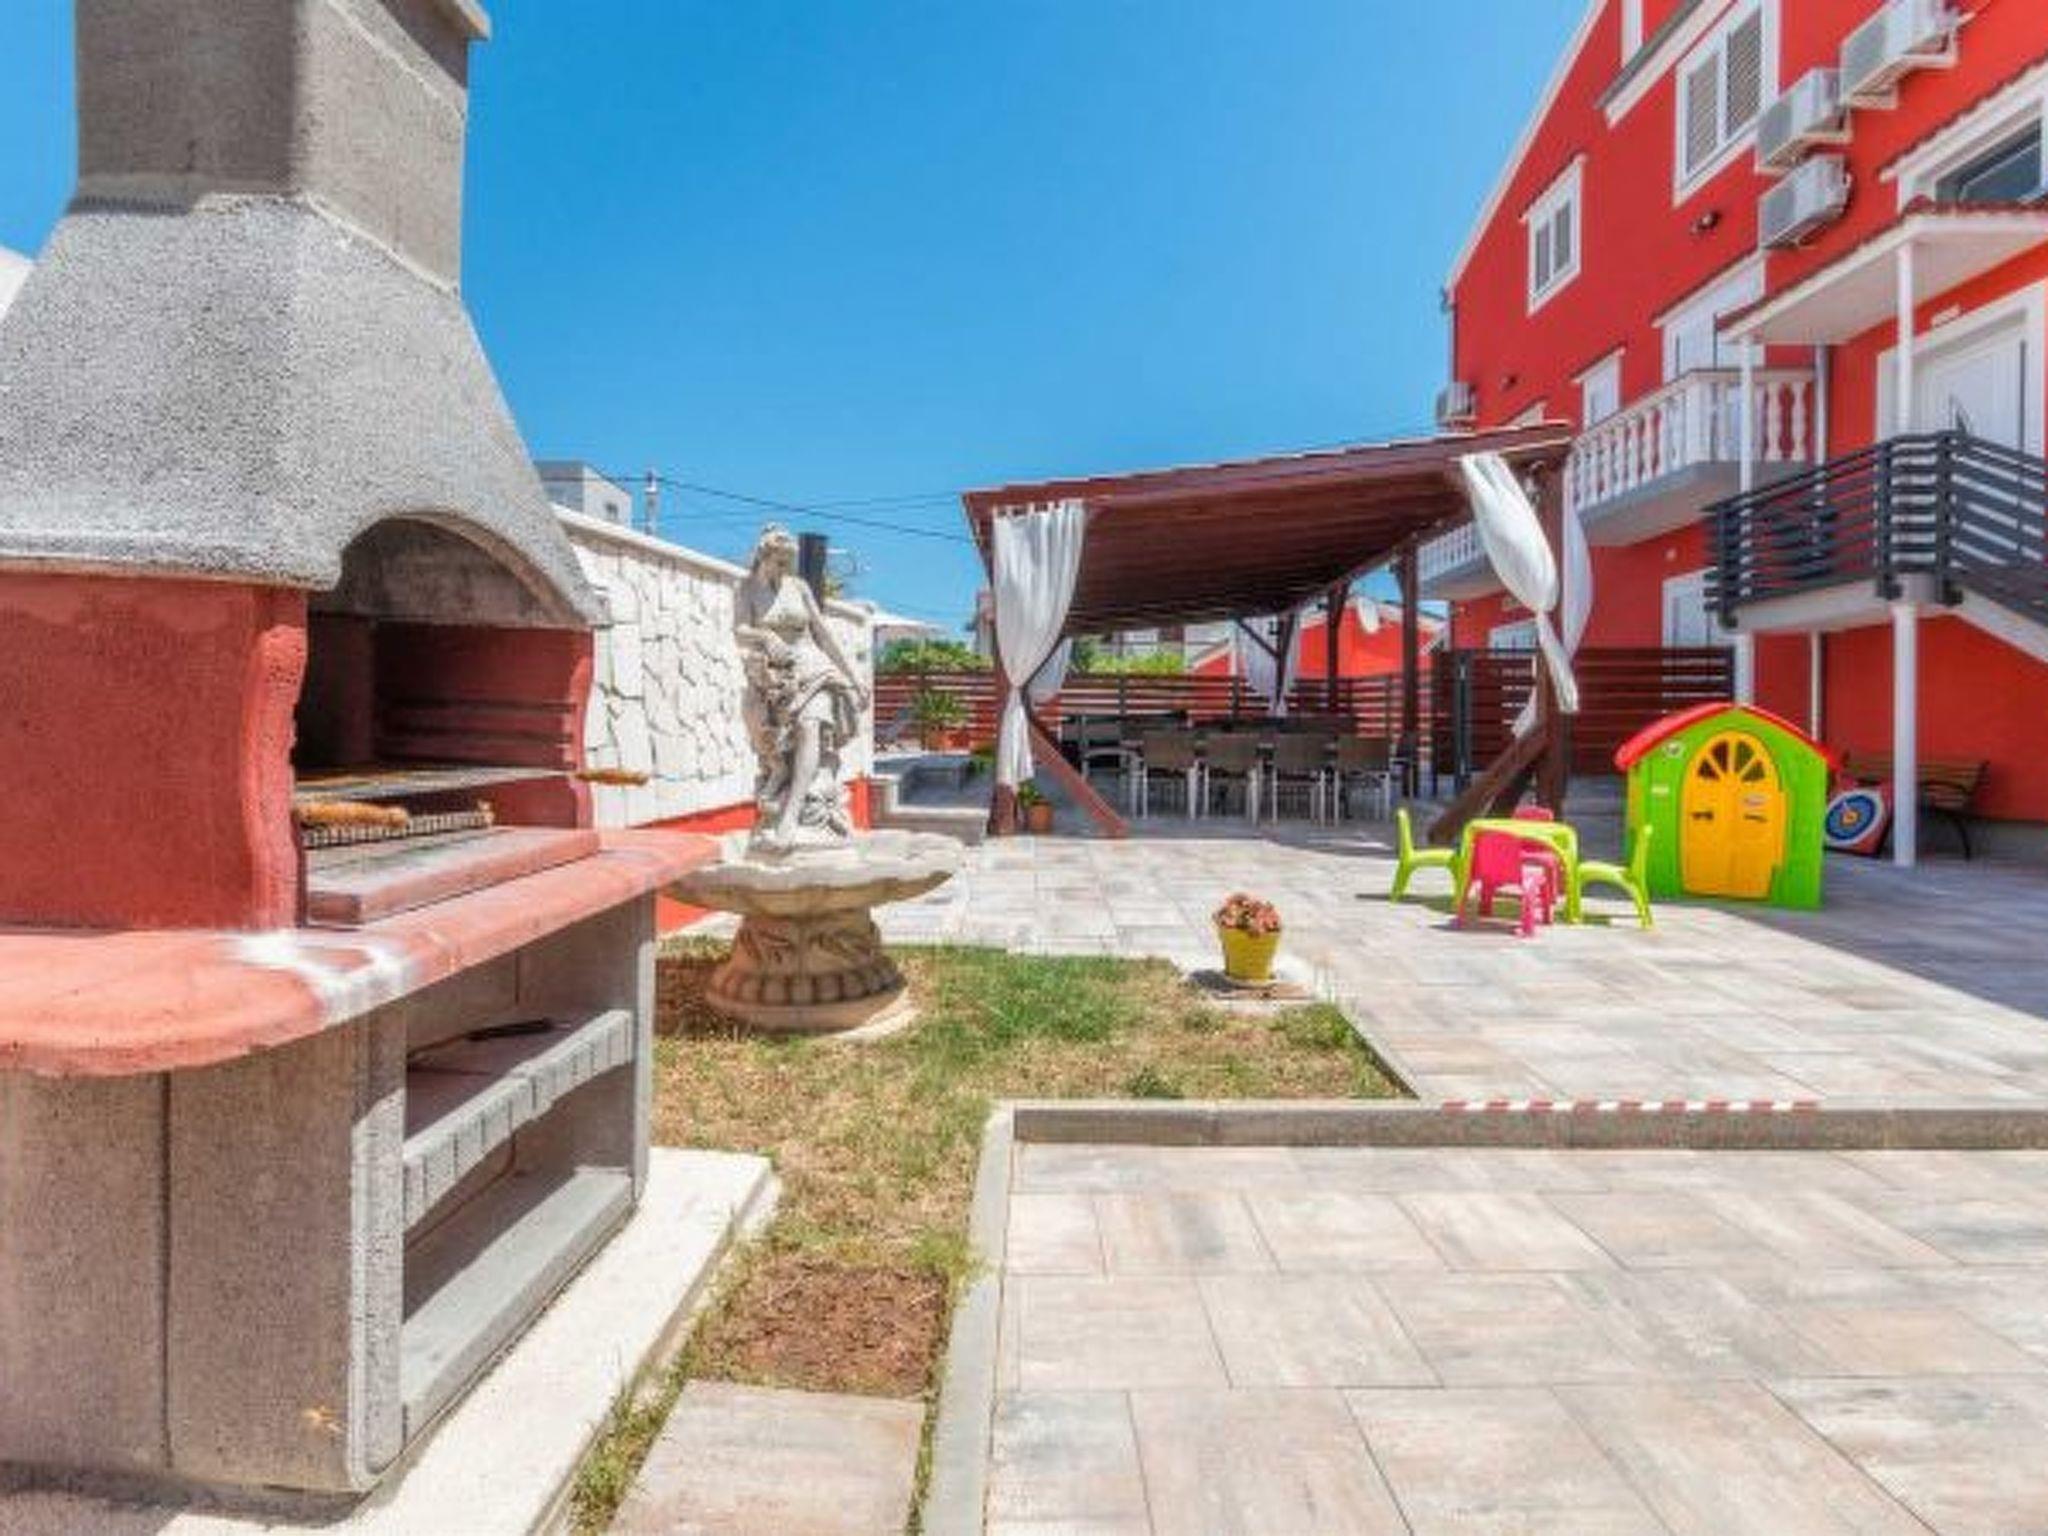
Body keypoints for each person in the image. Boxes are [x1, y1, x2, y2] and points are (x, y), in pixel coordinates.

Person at [733, 525, 869, 853]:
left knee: (811, 725)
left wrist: (853, 675)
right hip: (773, 670)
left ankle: (792, 813)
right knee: (762, 725)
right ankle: (780, 771)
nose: (785, 569)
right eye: (780, 562)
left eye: (789, 563)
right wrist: (765, 636)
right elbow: (739, 629)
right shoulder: (746, 588)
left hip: (812, 663)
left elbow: (823, 633)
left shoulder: (799, 587)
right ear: (764, 557)